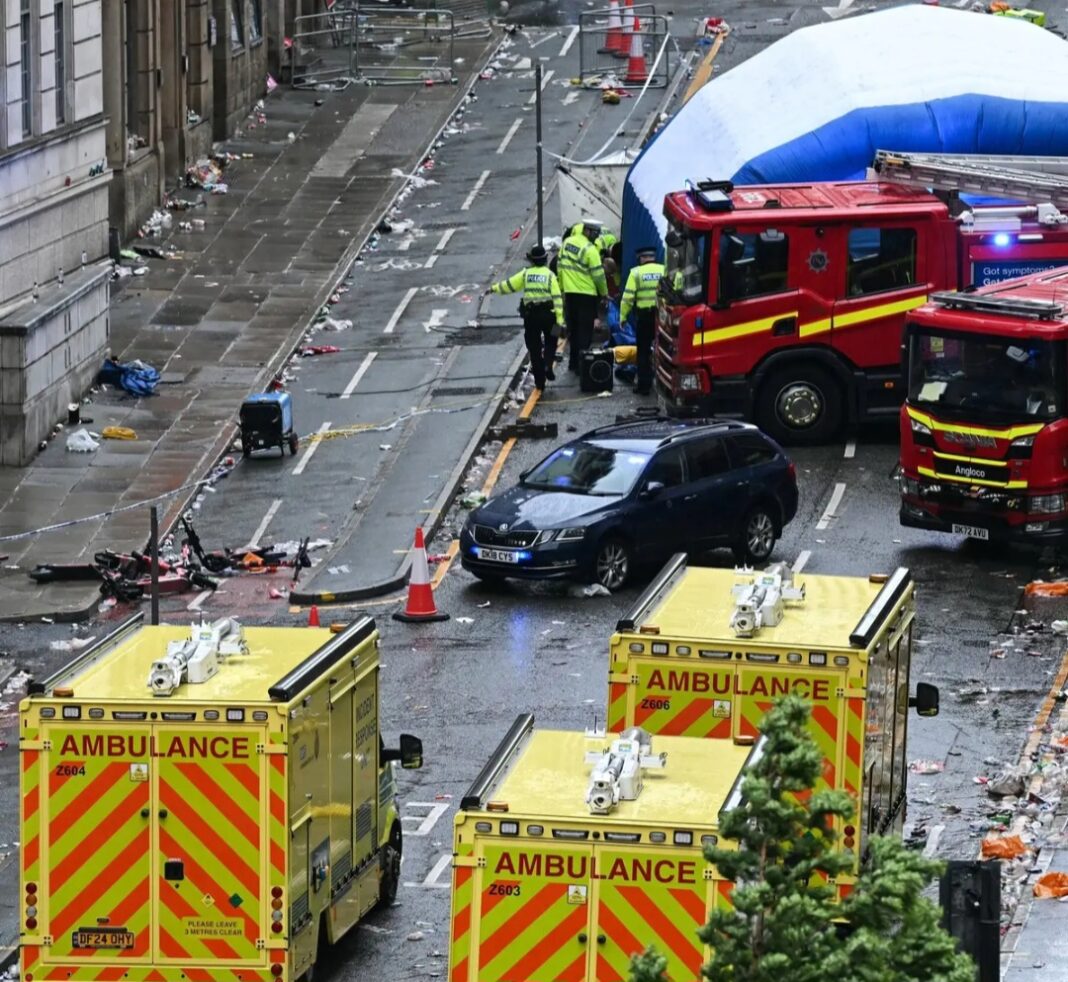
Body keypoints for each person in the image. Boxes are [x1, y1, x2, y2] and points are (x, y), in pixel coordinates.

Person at [488, 244, 564, 391]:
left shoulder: (526, 274)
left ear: (532, 261)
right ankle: (548, 364)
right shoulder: (550, 275)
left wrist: (494, 288)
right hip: (549, 316)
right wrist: (559, 321)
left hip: (531, 316)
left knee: (534, 348)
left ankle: (540, 382)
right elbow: (557, 298)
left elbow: (509, 285)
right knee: (552, 341)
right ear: (545, 259)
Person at [558, 222, 608, 373]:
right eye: (594, 233)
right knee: (584, 332)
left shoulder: (567, 243)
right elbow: (598, 275)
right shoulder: (590, 249)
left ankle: (573, 363)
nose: (596, 236)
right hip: (587, 296)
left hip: (570, 293)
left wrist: (562, 288)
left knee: (573, 329)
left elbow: (560, 267)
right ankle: (582, 365)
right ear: (586, 231)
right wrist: (604, 293)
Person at [619, 244, 665, 395]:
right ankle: (663, 383)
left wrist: (623, 317)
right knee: (664, 350)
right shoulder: (663, 270)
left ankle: (644, 385)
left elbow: (628, 298)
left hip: (644, 318)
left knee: (643, 352)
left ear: (642, 258)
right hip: (662, 317)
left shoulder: (636, 273)